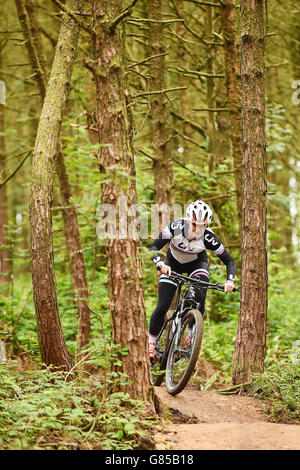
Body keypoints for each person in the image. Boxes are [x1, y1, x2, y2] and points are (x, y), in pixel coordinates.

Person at [148, 199, 236, 360]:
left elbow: (229, 261)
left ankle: (190, 339)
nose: (198, 229)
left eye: (202, 226)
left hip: (197, 265)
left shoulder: (209, 238)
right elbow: (153, 248)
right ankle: (151, 344)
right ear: (189, 221)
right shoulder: (175, 227)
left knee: (199, 297)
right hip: (172, 264)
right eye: (195, 225)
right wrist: (160, 263)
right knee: (162, 306)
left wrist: (230, 281)